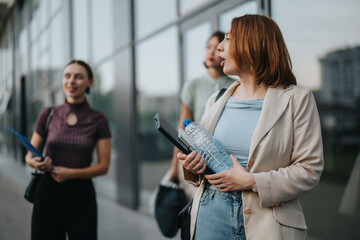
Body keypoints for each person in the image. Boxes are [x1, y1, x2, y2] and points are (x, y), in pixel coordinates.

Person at [177, 14, 324, 240]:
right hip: (212, 213)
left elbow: (309, 169)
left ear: (253, 44)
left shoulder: (297, 99)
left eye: (228, 39)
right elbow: (204, 166)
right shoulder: (215, 100)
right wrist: (194, 166)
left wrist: (251, 181)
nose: (220, 49)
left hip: (270, 220)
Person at [25, 60, 112, 240]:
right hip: (48, 192)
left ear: (90, 82)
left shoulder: (99, 120)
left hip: (82, 196)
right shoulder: (48, 114)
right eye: (67, 76)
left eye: (78, 77)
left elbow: (103, 166)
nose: (71, 81)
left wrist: (70, 173)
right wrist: (36, 163)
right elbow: (29, 155)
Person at [169, 31, 234, 197]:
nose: (211, 52)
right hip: (195, 157)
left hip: (222, 157)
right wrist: (174, 167)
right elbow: (182, 127)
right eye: (208, 47)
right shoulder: (193, 85)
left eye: (217, 48)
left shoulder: (235, 85)